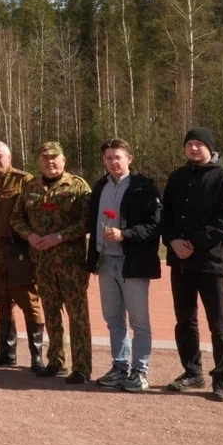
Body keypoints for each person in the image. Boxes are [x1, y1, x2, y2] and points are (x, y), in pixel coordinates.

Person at [161, 127, 223, 402]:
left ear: (210, 147)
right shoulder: (178, 177)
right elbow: (165, 216)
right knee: (185, 320)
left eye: (199, 144)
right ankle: (192, 372)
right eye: (189, 144)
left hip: (211, 263)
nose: (194, 148)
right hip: (181, 263)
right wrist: (172, 241)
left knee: (218, 323)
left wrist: (193, 242)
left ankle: (221, 376)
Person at [11, 141, 93, 384]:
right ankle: (56, 361)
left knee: (77, 316)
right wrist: (29, 235)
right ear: (40, 161)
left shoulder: (77, 185)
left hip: (71, 264)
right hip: (42, 263)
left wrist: (59, 236)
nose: (50, 162)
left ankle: (82, 367)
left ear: (63, 160)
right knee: (51, 314)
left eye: (54, 157)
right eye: (45, 158)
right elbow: (16, 218)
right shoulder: (31, 187)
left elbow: (87, 221)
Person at [86, 138, 162, 393]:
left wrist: (125, 234)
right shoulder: (100, 187)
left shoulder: (144, 187)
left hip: (133, 263)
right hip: (105, 262)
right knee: (113, 319)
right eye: (108, 158)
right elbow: (90, 222)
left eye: (117, 157)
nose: (113, 162)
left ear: (129, 159)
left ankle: (139, 371)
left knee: (139, 321)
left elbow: (155, 225)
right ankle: (120, 367)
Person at [0, 141, 46, 370]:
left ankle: (36, 356)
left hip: (19, 249)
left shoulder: (24, 180)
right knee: (1, 299)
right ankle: (6, 352)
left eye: (0, 156)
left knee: (29, 300)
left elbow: (34, 214)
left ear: (10, 158)